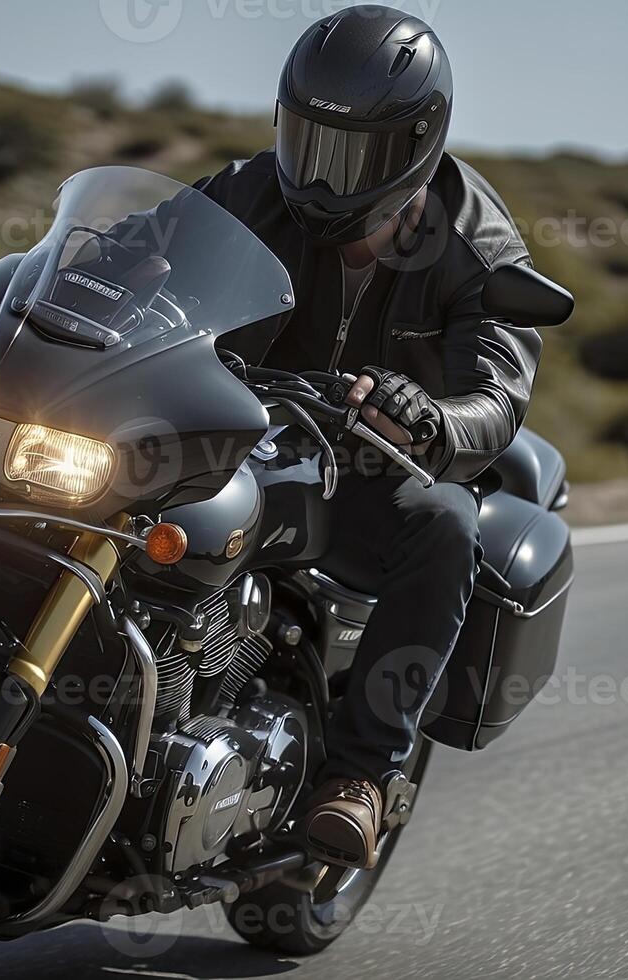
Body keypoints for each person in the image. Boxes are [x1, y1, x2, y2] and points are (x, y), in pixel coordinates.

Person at [195, 5, 542, 869]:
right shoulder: (247, 189)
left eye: (355, 154)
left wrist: (433, 419)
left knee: (448, 521)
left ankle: (360, 773)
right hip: (235, 429)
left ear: (417, 146)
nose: (322, 173)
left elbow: (496, 397)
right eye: (308, 139)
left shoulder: (477, 246)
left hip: (369, 465)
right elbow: (130, 255)